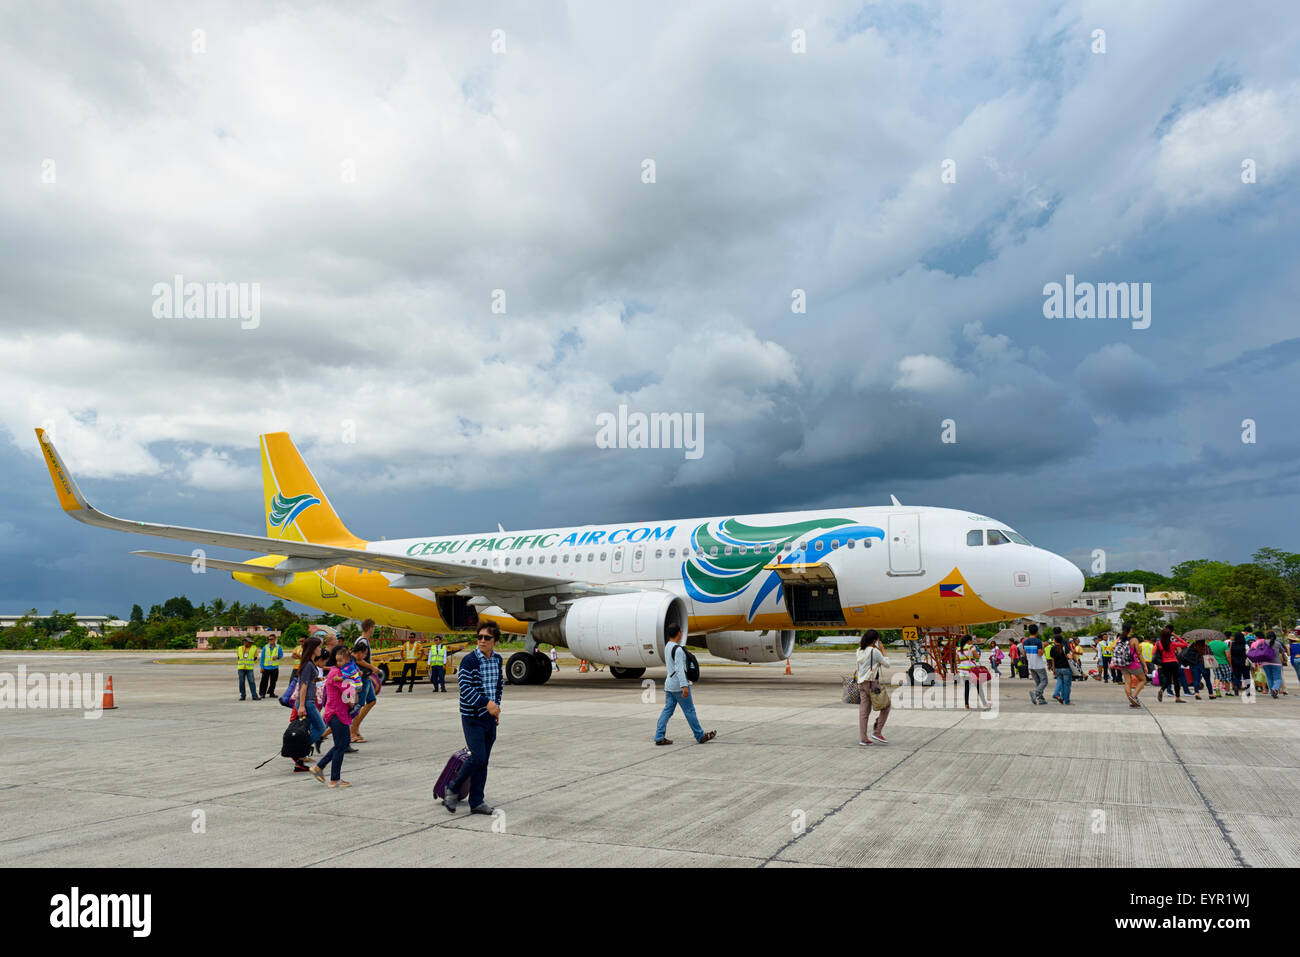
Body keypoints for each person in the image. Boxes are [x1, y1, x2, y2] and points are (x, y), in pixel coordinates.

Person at [443, 622, 505, 814]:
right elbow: (466, 689)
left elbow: (498, 686)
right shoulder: (469, 661)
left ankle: (477, 801)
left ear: (494, 641)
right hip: (472, 717)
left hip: (489, 718)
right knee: (477, 757)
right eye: (479, 637)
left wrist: (495, 709)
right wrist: (486, 703)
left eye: (487, 638)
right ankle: (453, 788)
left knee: (483, 761)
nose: (482, 641)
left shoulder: (497, 660)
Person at [653, 622, 716, 746]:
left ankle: (659, 736)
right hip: (678, 685)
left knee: (667, 711)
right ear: (679, 633)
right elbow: (679, 669)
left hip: (669, 685)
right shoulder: (678, 650)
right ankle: (700, 735)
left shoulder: (667, 647)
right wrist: (684, 686)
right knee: (689, 711)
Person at [309, 644, 356, 788]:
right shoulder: (337, 674)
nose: (342, 663)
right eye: (339, 660)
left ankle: (319, 767)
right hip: (337, 713)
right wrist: (353, 705)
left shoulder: (337, 672)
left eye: (344, 660)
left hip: (335, 713)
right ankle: (334, 779)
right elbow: (348, 697)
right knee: (341, 746)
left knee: (342, 743)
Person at [854, 630, 891, 744]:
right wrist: (883, 650)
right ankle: (877, 732)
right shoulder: (874, 651)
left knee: (864, 712)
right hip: (872, 683)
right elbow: (887, 664)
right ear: (875, 640)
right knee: (886, 706)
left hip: (861, 683)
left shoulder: (859, 650)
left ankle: (863, 739)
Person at [293, 635, 324, 770]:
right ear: (313, 649)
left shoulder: (310, 664)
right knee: (321, 727)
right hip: (307, 702)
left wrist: (319, 680)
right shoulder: (308, 665)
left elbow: (308, 682)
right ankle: (299, 751)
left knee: (310, 730)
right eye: (318, 646)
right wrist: (301, 706)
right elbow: (303, 686)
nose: (320, 649)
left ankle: (299, 759)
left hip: (308, 701)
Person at [350, 620, 381, 743]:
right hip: (362, 677)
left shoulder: (362, 640)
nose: (374, 630)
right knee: (358, 705)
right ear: (370, 628)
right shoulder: (362, 641)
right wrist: (372, 667)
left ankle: (355, 727)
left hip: (366, 677)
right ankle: (352, 732)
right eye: (373, 627)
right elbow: (357, 660)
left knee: (372, 701)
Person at [1114, 624, 1145, 707]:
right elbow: (1139, 653)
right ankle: (1133, 697)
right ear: (1130, 629)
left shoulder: (1120, 639)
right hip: (1133, 663)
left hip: (1123, 664)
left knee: (1127, 683)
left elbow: (1113, 648)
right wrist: (1145, 665)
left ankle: (1131, 701)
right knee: (1143, 680)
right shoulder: (1134, 639)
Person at [1154, 627, 1188, 703]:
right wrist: (1175, 636)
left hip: (1164, 664)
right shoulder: (1172, 644)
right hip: (1173, 663)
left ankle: (1162, 690)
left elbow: (1154, 652)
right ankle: (1177, 698)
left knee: (1168, 680)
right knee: (1176, 680)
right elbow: (1185, 644)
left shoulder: (1158, 644)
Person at [1022, 625, 1048, 705]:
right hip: (1038, 665)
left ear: (1029, 632)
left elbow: (1023, 653)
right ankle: (1035, 693)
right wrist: (1043, 647)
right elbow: (1040, 654)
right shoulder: (1038, 641)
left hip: (1031, 665)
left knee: (1038, 682)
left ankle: (1041, 699)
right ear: (1037, 632)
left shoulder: (1025, 641)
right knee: (1044, 681)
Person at [956, 637, 982, 709]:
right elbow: (977, 657)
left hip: (963, 670)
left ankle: (966, 705)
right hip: (971, 670)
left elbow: (957, 660)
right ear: (968, 641)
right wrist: (978, 654)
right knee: (978, 686)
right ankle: (984, 703)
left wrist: (963, 660)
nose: (972, 642)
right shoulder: (971, 647)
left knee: (967, 687)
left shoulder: (958, 649)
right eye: (971, 640)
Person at [1048, 631, 1074, 705]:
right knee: (1067, 686)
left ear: (1055, 640)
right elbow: (1070, 656)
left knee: (1061, 683)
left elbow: (1052, 659)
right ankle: (1067, 701)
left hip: (1057, 668)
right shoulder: (1064, 647)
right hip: (1066, 668)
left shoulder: (1052, 648)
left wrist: (1053, 669)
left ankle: (1059, 696)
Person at [1261, 631, 1287, 699]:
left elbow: (1258, 650)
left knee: (1269, 678)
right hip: (1276, 663)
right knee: (1278, 678)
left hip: (1265, 663)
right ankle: (1275, 688)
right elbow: (1283, 651)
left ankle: (1273, 694)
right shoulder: (1278, 643)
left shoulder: (1263, 642)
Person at [258, 633, 282, 699]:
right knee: (264, 681)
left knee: (273, 681)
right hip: (266, 667)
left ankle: (271, 693)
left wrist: (277, 657)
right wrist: (261, 667)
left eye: (271, 639)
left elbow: (281, 655)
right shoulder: (265, 647)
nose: (270, 640)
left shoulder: (278, 647)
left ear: (275, 639)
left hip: (274, 667)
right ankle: (262, 693)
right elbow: (262, 658)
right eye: (268, 639)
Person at [1229, 631, 1251, 696]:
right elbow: (1248, 654)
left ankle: (1236, 685)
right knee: (1246, 676)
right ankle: (1248, 691)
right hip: (1244, 662)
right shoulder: (1245, 645)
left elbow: (1230, 653)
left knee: (1236, 675)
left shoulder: (1232, 644)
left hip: (1235, 662)